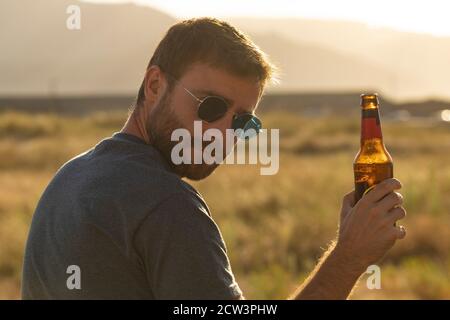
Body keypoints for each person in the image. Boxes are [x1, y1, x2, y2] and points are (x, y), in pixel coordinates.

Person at [22, 17, 406, 299]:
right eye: (211, 106)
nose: (224, 132)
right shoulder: (167, 206)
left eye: (242, 121)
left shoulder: (68, 178)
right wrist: (349, 257)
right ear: (155, 85)